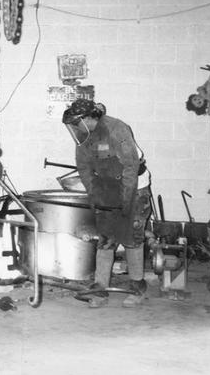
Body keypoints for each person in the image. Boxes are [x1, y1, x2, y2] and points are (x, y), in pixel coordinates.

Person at [62, 98, 152, 308]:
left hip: (134, 187)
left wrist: (126, 202)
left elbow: (131, 167)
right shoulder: (83, 137)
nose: (74, 128)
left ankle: (138, 287)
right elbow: (83, 168)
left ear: (87, 118)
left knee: (132, 237)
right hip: (106, 188)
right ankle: (100, 290)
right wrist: (95, 194)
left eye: (76, 123)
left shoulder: (116, 129)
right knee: (106, 239)